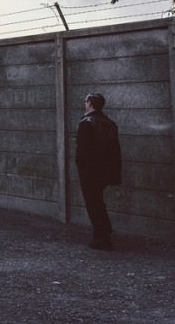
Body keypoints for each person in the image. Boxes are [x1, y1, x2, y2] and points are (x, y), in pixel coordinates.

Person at [75, 92, 122, 250]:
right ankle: (104, 234)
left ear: (90, 103)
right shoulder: (109, 123)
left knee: (93, 204)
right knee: (98, 202)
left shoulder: (86, 122)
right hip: (104, 171)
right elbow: (115, 151)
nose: (84, 103)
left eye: (86, 101)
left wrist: (81, 168)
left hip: (89, 171)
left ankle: (101, 238)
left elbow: (82, 151)